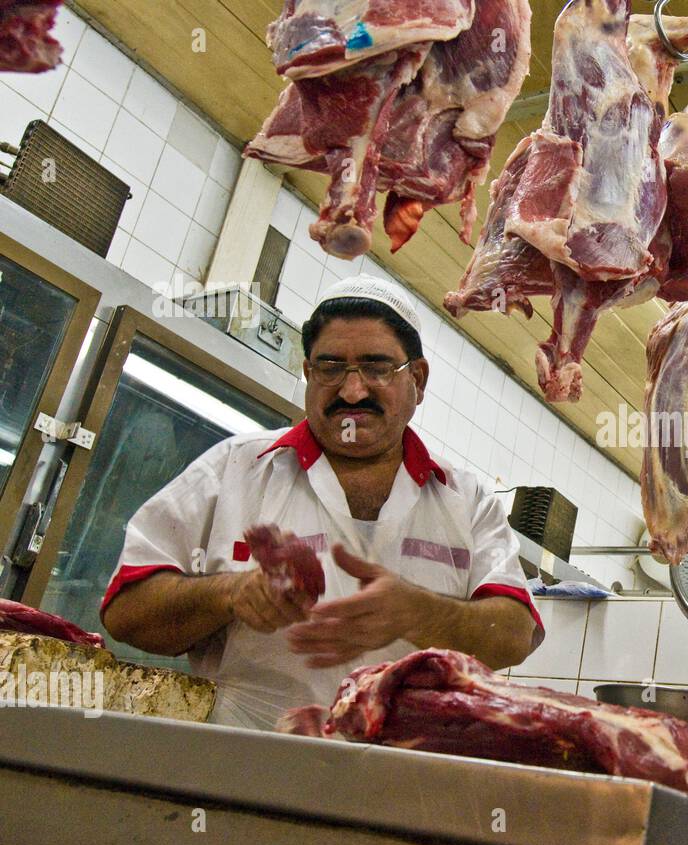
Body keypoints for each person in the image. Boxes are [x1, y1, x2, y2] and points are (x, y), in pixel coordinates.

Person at [101, 275, 543, 729]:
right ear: (309, 373)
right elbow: (125, 612)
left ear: (418, 378)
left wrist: (419, 612)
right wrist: (230, 593)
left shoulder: (466, 499)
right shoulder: (235, 469)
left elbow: (514, 633)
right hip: (240, 770)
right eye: (331, 368)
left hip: (404, 781)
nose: (353, 391)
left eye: (377, 368)